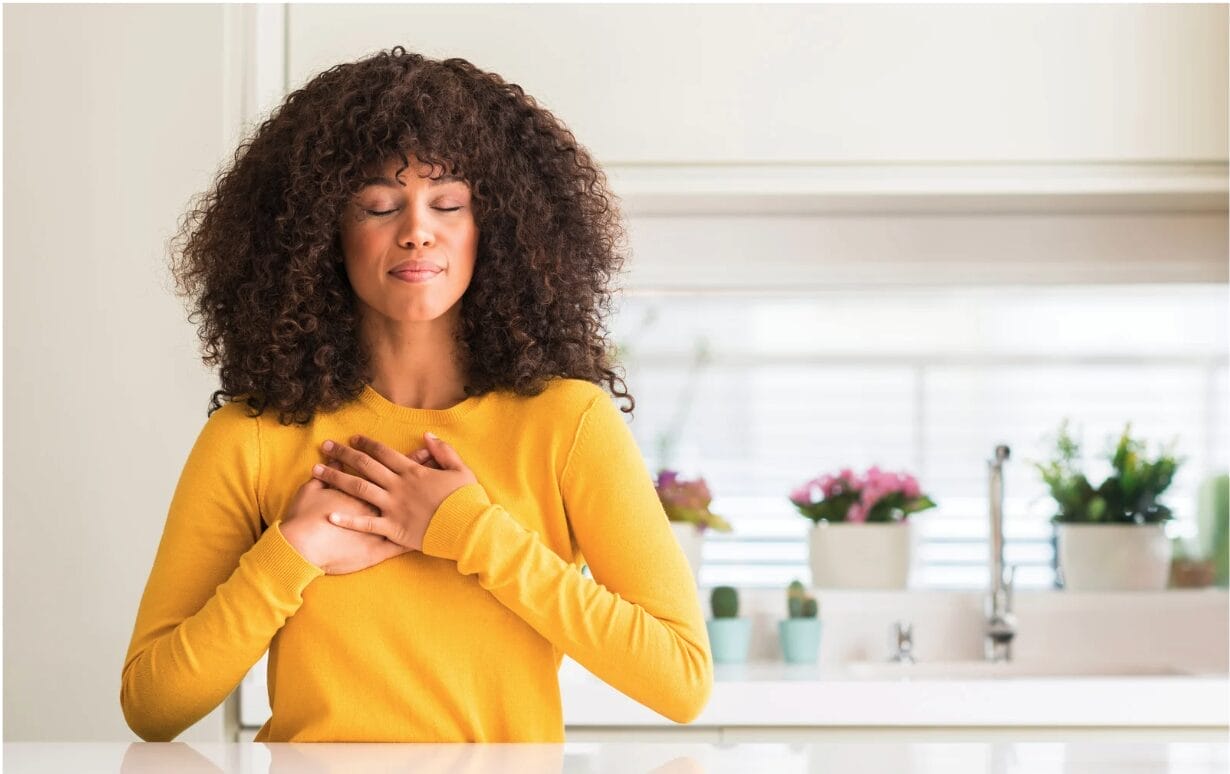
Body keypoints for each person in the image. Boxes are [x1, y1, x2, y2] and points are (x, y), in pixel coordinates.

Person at [120, 46, 712, 742]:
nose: (416, 230)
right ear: (319, 233)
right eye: (377, 205)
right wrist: (292, 551)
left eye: (449, 202)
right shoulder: (256, 435)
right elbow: (153, 706)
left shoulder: (568, 423)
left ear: (496, 227)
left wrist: (468, 531)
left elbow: (680, 679)